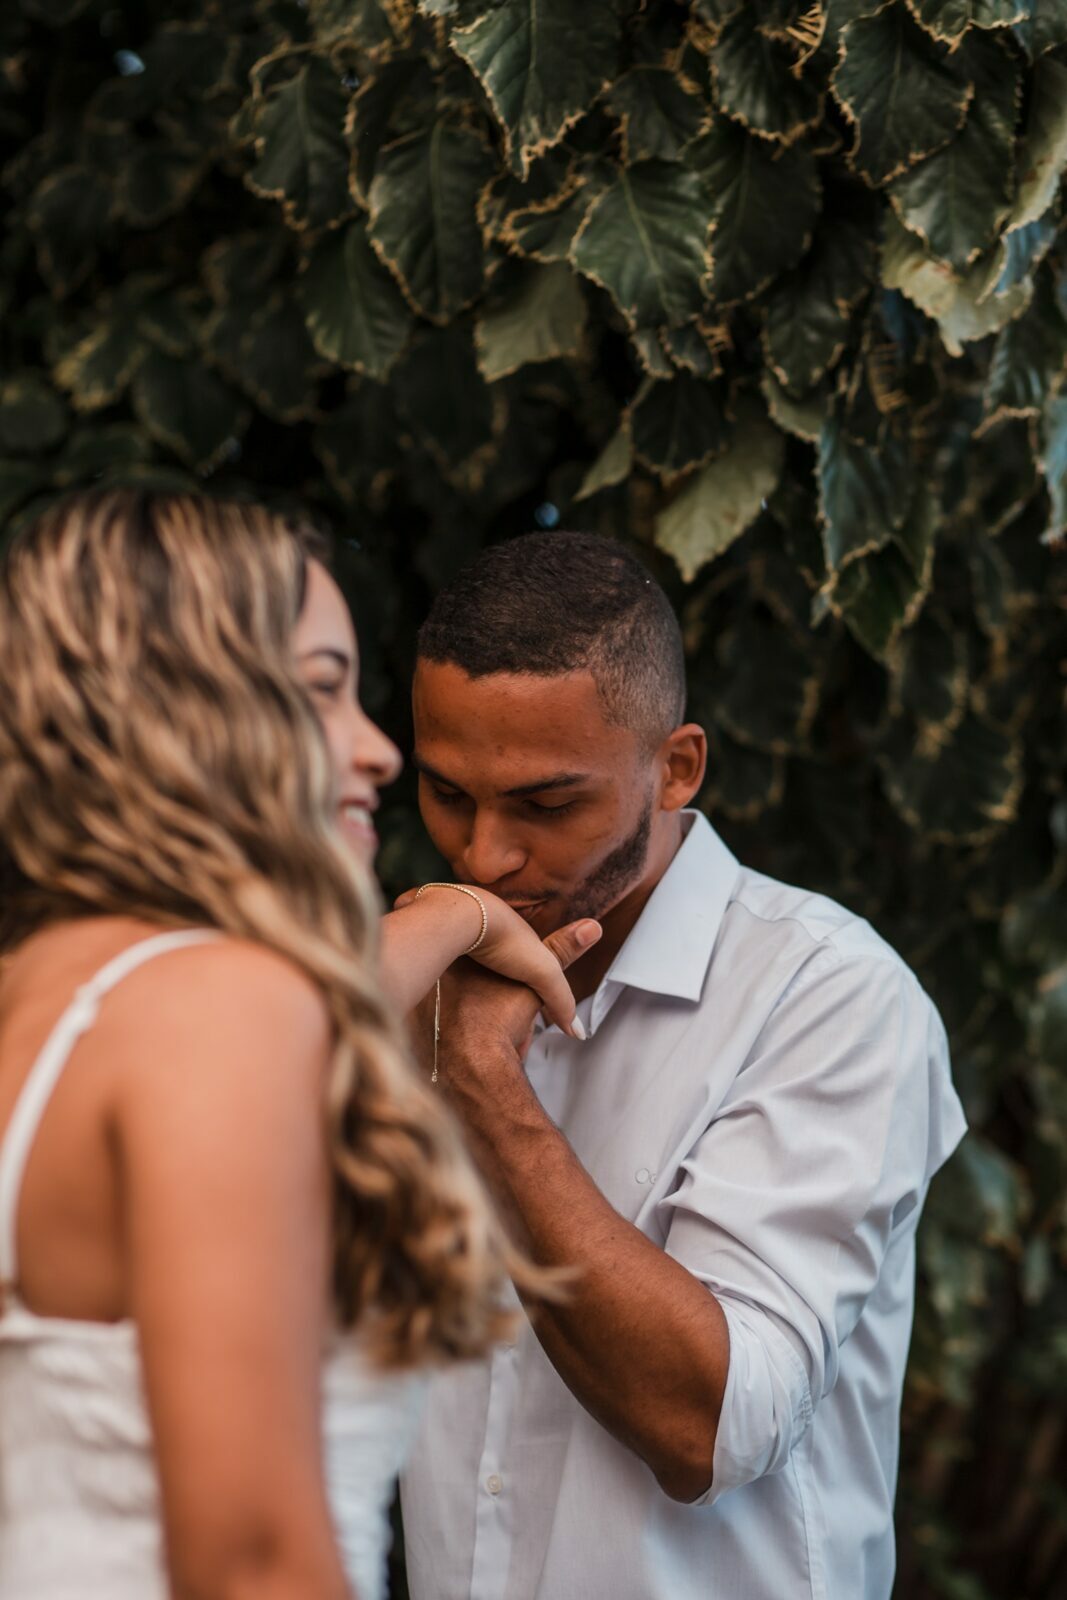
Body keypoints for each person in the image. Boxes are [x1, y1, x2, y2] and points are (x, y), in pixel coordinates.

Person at [0, 489, 596, 1600]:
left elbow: (315, 1007)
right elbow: (252, 1563)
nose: (375, 751)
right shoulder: (220, 1007)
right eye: (322, 688)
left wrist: (463, 913)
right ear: (176, 704)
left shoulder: (50, 992)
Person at [398, 531, 968, 1600]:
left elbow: (710, 1423)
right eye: (446, 794)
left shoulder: (828, 994)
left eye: (545, 805)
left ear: (675, 768)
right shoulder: (409, 975)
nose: (482, 856)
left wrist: (477, 1080)